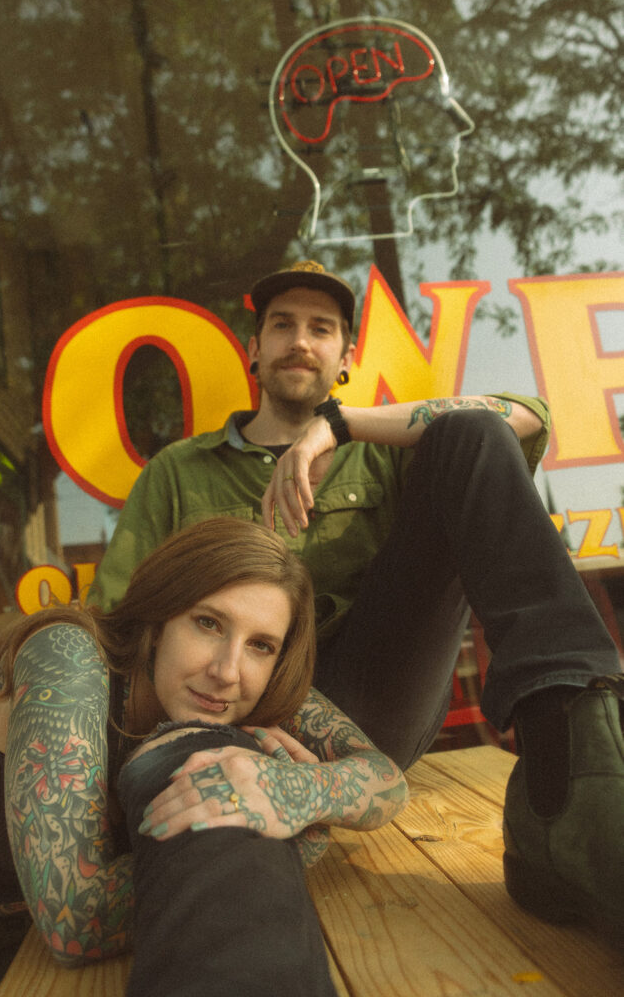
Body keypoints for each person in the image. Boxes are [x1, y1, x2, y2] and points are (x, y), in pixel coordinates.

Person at [88, 258, 624, 941]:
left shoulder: (380, 453)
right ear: (253, 350)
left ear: (344, 356)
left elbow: (521, 417)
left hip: (368, 703)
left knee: (467, 432)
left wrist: (340, 427)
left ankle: (570, 772)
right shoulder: (177, 469)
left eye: (321, 328)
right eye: (281, 325)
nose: (299, 340)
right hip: (230, 713)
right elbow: (107, 620)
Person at [0, 517, 406, 996]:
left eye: (260, 646)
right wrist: (306, 836)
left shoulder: (252, 690)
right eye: (208, 623)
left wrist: (300, 791)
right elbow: (76, 923)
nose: (228, 670)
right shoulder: (71, 657)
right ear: (159, 620)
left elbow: (384, 776)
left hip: (27, 940)